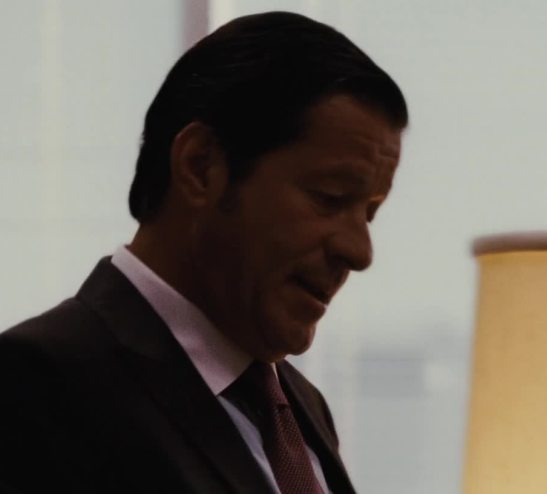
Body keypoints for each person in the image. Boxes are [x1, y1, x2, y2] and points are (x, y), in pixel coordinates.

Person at [0, 11, 407, 494]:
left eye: (369, 214)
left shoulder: (304, 408)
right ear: (200, 166)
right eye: (330, 197)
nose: (359, 251)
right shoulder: (34, 384)